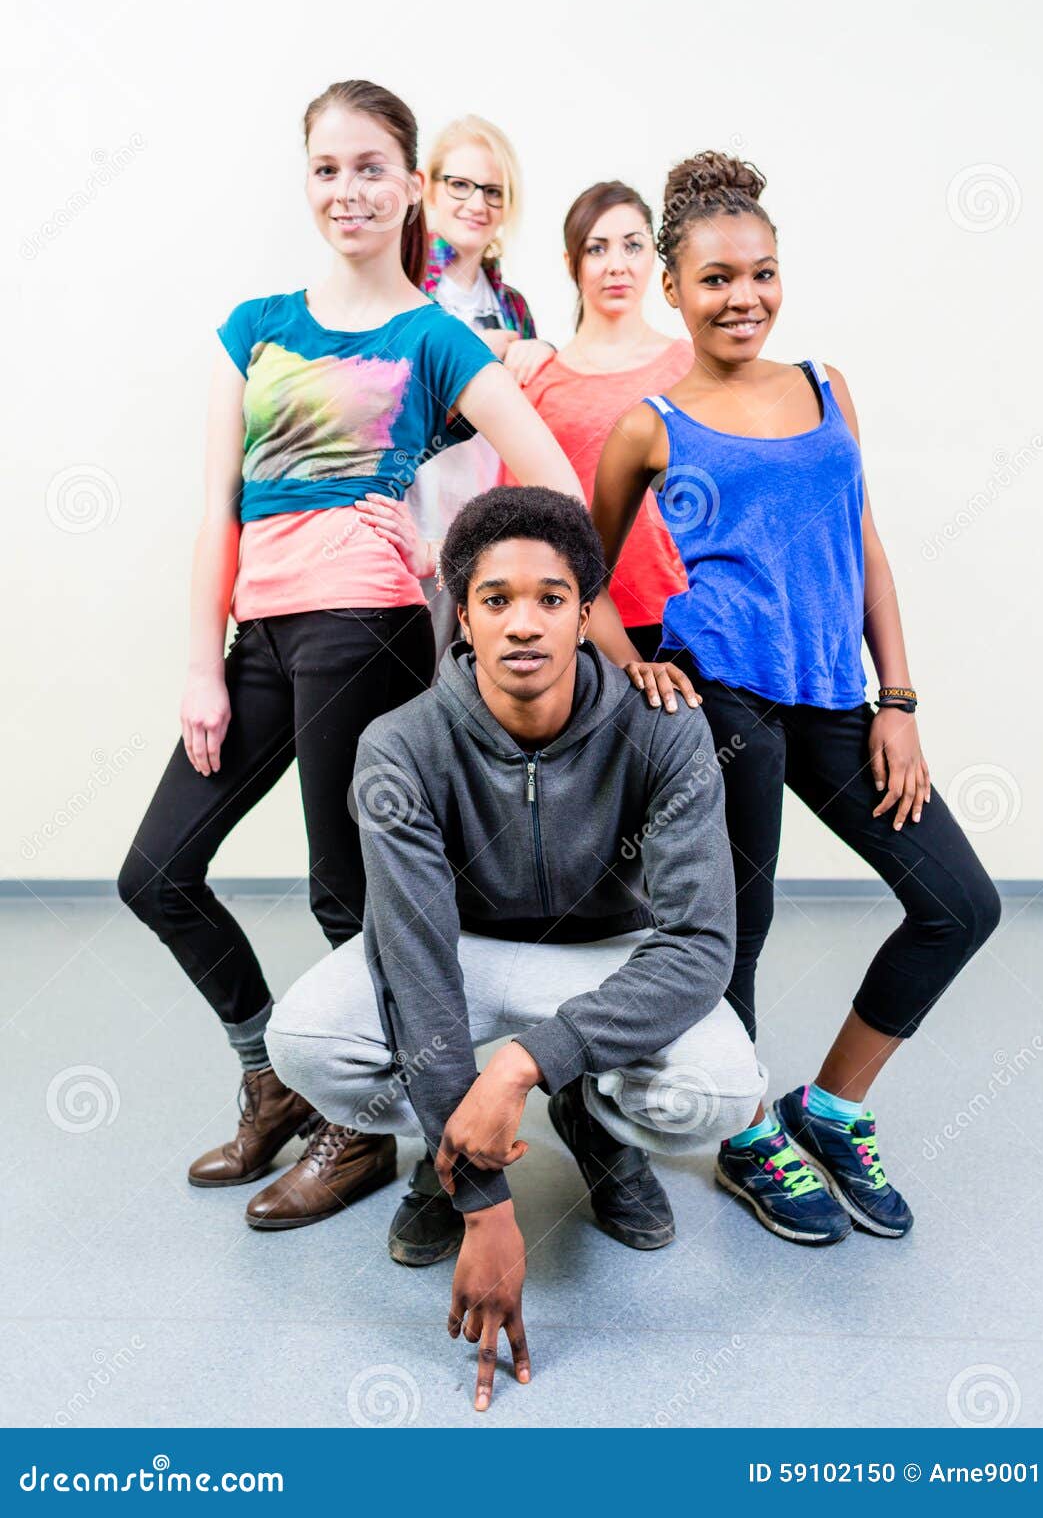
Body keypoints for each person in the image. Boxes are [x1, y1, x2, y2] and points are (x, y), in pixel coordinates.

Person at [115, 79, 610, 1231]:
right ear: (308, 181)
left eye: (372, 167)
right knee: (156, 872)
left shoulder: (431, 335)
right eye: (328, 167)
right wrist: (202, 663)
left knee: (352, 898)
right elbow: (215, 515)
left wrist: (449, 561)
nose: (349, 189)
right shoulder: (254, 326)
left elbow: (553, 483)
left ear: (412, 190)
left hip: (367, 627)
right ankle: (273, 1074)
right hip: (260, 633)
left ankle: (365, 1126)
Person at [265, 486, 764, 1411]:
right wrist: (481, 1203)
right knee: (306, 1040)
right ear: (463, 615)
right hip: (468, 950)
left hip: (608, 953)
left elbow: (698, 948)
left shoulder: (662, 728)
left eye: (550, 598)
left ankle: (595, 1125)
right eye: (496, 600)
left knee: (724, 1094)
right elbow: (412, 958)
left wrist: (529, 1065)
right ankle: (444, 1151)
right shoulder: (401, 745)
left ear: (586, 611)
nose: (523, 623)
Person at [589, 150, 1002, 1245]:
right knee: (744, 924)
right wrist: (634, 660)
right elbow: (582, 575)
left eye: (762, 273)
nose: (744, 298)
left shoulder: (824, 388)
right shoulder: (650, 423)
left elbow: (862, 541)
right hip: (721, 702)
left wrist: (896, 699)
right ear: (672, 289)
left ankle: (825, 1106)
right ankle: (741, 1134)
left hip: (833, 700)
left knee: (959, 903)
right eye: (717, 278)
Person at [501, 181, 691, 661]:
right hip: (571, 618)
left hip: (680, 613)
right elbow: (516, 514)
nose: (616, 265)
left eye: (633, 245)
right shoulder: (538, 379)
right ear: (572, 263)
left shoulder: (690, 365)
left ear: (655, 257)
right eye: (596, 248)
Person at [406, 114, 556, 663]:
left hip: (484, 535)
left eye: (493, 191)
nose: (477, 203)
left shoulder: (512, 304)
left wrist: (544, 355)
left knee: (469, 699)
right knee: (398, 698)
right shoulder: (402, 285)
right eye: (461, 185)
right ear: (429, 187)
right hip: (411, 531)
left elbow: (533, 423)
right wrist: (477, 352)